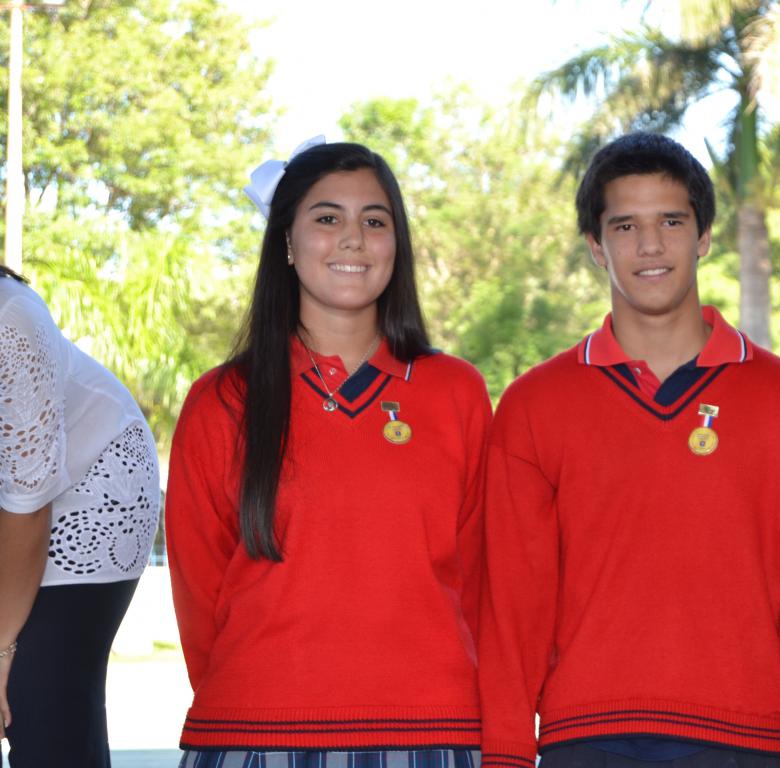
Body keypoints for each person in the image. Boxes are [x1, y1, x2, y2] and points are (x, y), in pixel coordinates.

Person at [479, 132, 780, 768]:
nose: (651, 245)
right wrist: (504, 755)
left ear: (704, 235)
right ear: (595, 248)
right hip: (585, 740)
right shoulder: (533, 404)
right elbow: (512, 605)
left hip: (747, 739)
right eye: (625, 226)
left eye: (671, 221)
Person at [165, 140, 491, 766]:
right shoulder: (222, 401)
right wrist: (258, 701)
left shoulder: (457, 392)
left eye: (375, 220)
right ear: (285, 242)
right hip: (255, 733)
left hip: (430, 732)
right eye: (326, 218)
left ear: (397, 244)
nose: (354, 239)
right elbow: (199, 595)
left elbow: (477, 582)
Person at [0, 265, 160, 767]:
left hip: (93, 492)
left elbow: (27, 501)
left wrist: (1, 649)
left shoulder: (10, 315)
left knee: (40, 700)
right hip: (20, 504)